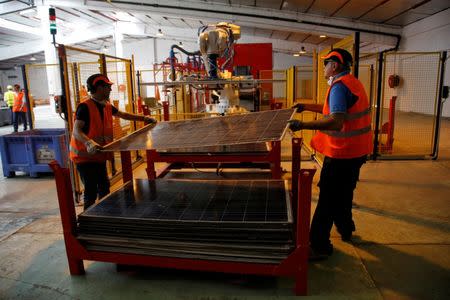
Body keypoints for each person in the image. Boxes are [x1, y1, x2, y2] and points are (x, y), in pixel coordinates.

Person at [288, 48, 372, 260]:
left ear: (334, 65)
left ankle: (318, 246)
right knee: (344, 192)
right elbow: (333, 110)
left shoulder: (339, 87)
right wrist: (306, 106)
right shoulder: (352, 82)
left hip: (342, 153)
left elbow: (336, 120)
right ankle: (346, 229)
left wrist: (303, 124)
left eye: (325, 63)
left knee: (327, 198)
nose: (324, 67)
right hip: (357, 150)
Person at [69, 74, 157, 210]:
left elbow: (124, 115)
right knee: (91, 190)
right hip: (85, 158)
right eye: (108, 87)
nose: (110, 90)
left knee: (104, 187)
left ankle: (105, 215)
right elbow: (76, 131)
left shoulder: (107, 106)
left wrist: (145, 118)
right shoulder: (85, 108)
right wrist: (89, 143)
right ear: (99, 88)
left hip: (99, 156)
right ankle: (89, 221)